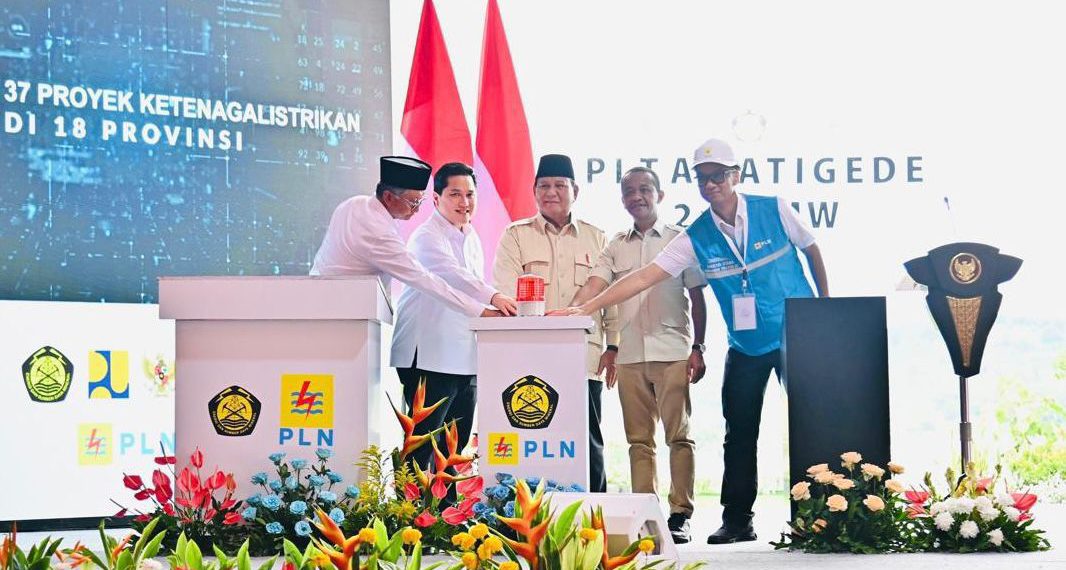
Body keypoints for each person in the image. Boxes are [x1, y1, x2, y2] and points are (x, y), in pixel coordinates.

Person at [555, 138, 829, 543]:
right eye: (703, 178)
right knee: (739, 432)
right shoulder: (695, 235)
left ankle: (817, 520)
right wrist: (587, 307)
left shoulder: (774, 208)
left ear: (735, 175)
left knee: (810, 425)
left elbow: (812, 249)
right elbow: (644, 278)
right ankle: (738, 521)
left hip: (797, 333)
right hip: (746, 344)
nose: (711, 184)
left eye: (718, 176)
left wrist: (824, 309)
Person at [568, 166, 708, 543]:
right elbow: (595, 285)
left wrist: (698, 347)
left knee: (679, 437)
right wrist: (571, 312)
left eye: (645, 189)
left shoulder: (680, 240)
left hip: (673, 352)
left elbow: (697, 298)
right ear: (623, 199)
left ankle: (680, 514)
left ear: (660, 195)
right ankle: (647, 512)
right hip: (629, 356)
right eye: (629, 191)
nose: (637, 197)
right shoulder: (615, 244)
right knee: (638, 441)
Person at [493, 153, 614, 492]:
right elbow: (506, 293)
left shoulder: (596, 237)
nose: (551, 192)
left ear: (575, 190)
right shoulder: (516, 236)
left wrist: (614, 345)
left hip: (585, 353)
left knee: (588, 437)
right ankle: (531, 509)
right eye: (543, 186)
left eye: (560, 185)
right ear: (534, 192)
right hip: (532, 355)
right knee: (536, 436)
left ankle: (597, 509)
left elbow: (610, 295)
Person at [390, 162, 506, 472]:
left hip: (464, 355)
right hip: (428, 355)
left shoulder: (472, 237)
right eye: (455, 194)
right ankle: (409, 502)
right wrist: (495, 297)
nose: (464, 202)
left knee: (454, 448)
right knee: (422, 443)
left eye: (470, 194)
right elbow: (453, 277)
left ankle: (446, 505)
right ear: (436, 198)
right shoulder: (425, 237)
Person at [310, 155, 516, 321]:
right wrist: (484, 310)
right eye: (413, 202)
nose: (417, 210)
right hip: (342, 315)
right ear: (389, 197)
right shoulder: (379, 232)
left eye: (419, 201)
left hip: (328, 307)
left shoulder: (355, 203)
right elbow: (425, 279)